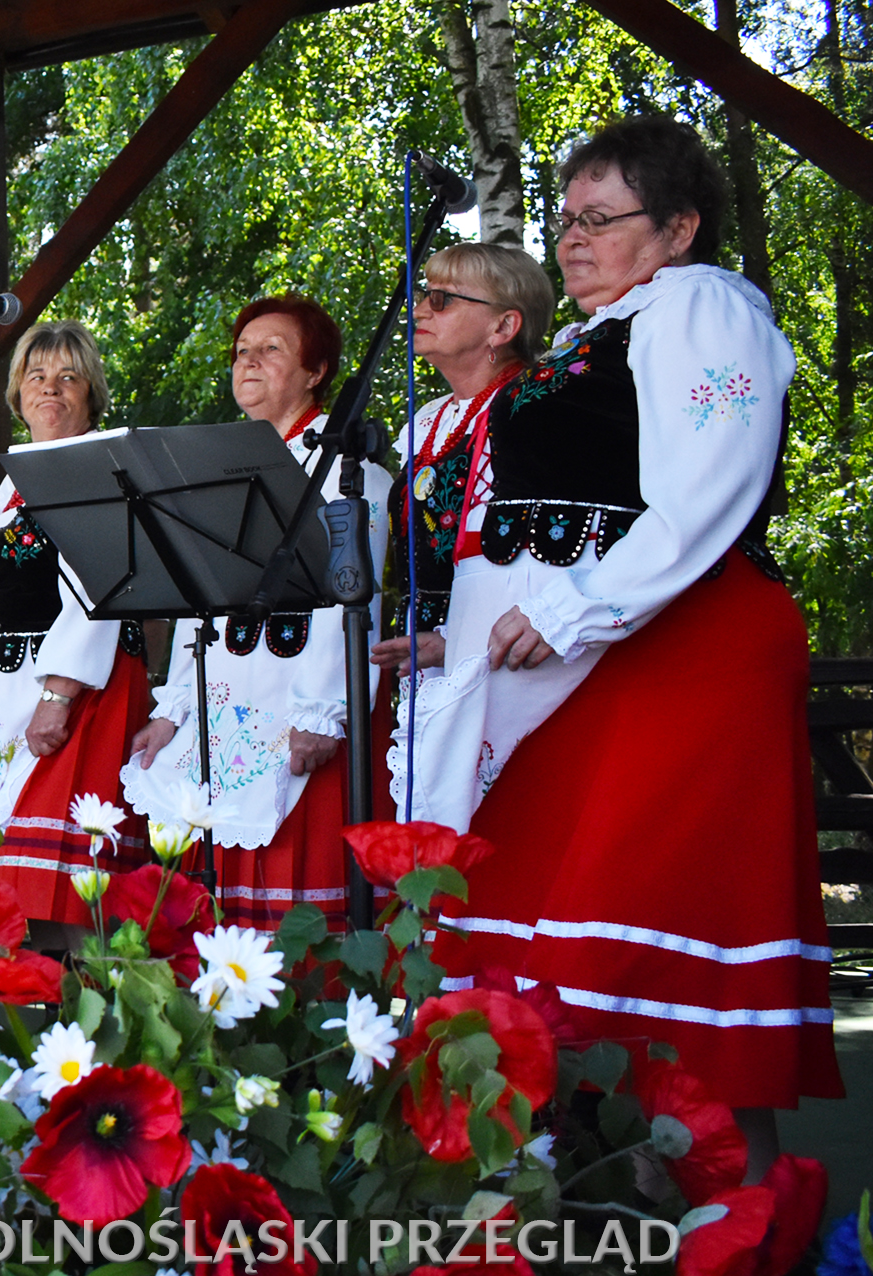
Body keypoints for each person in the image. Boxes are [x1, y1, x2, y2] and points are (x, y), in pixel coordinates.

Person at [405, 115, 840, 1164]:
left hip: (690, 650)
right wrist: (469, 634)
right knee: (550, 923)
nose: (571, 238)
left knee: (660, 941)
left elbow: (705, 490)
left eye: (599, 218)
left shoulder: (699, 305)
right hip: (604, 656)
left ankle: (739, 1223)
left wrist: (570, 609)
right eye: (566, 218)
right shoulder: (595, 337)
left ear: (678, 227)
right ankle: (603, 1199)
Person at [122, 295, 389, 932]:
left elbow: (354, 607)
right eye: (242, 351)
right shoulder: (218, 471)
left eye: (271, 350)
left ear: (316, 371)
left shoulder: (354, 476)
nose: (249, 361)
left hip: (299, 703)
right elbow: (199, 599)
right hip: (224, 696)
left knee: (293, 905)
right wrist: (174, 707)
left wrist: (322, 713)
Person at [0, 321, 153, 935]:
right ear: (17, 393)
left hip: (81, 686)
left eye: (68, 377)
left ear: (91, 393)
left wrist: (58, 694)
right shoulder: (18, 478)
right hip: (15, 684)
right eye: (36, 376)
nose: (50, 388)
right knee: (8, 872)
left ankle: (78, 991)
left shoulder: (98, 466)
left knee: (62, 886)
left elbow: (100, 587)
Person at [368, 245, 554, 818]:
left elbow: (533, 551)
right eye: (423, 294)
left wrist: (458, 638)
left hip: (506, 655)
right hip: (427, 656)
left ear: (503, 326)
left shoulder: (532, 408)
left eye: (442, 299)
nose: (420, 308)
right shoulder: (427, 419)